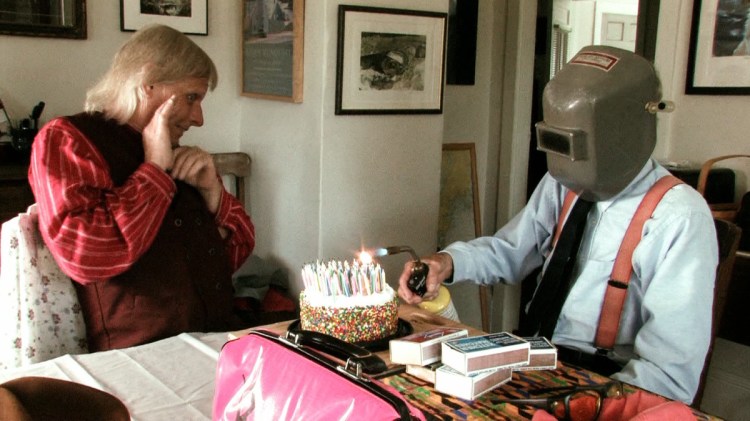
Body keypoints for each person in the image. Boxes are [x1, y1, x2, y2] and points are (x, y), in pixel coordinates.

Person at [398, 46, 717, 404]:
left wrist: (584, 406)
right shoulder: (562, 182)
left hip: (607, 384)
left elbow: (670, 375)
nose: (566, 166)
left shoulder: (679, 217)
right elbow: (510, 251)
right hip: (532, 358)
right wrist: (447, 263)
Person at [28, 24, 255, 352]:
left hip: (217, 342)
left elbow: (238, 252)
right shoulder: (67, 139)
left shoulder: (177, 149)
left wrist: (213, 195)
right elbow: (86, 256)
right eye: (191, 97)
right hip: (141, 358)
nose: (199, 118)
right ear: (148, 83)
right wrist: (153, 171)